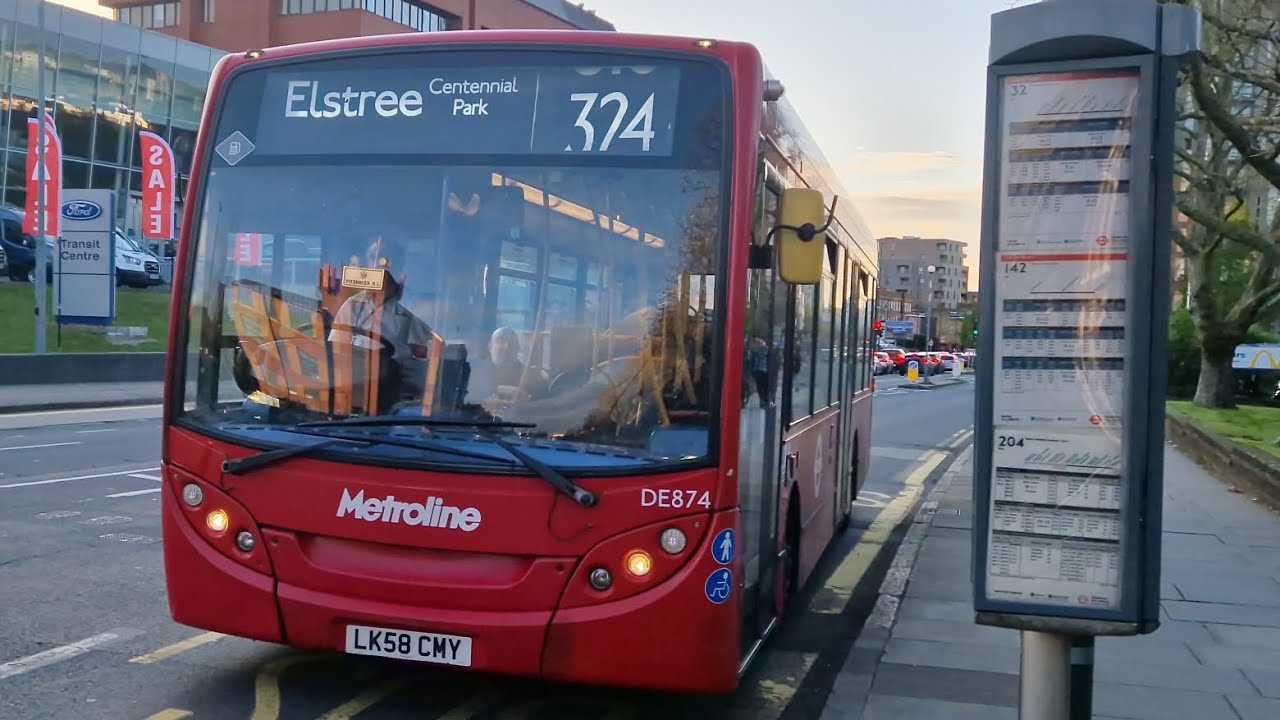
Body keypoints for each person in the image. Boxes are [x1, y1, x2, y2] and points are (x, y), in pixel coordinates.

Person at [327, 235, 437, 396]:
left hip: (398, 391)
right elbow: (336, 351)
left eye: (384, 258)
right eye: (373, 257)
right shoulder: (353, 305)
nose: (377, 264)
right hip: (355, 387)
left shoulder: (413, 307)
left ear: (397, 265)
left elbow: (424, 358)